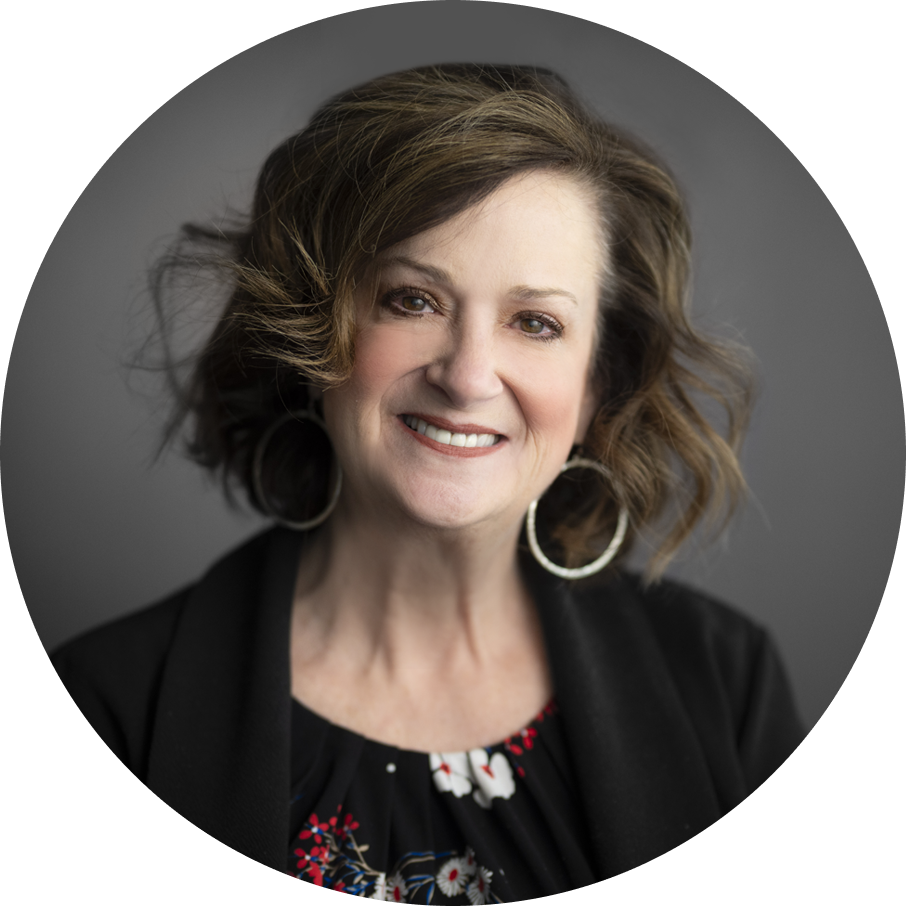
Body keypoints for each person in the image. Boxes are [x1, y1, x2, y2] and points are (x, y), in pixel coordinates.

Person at [13, 63, 872, 906]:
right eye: (412, 300)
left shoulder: (724, 681)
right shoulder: (106, 709)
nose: (467, 376)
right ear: (313, 333)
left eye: (536, 323)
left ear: (595, 388)